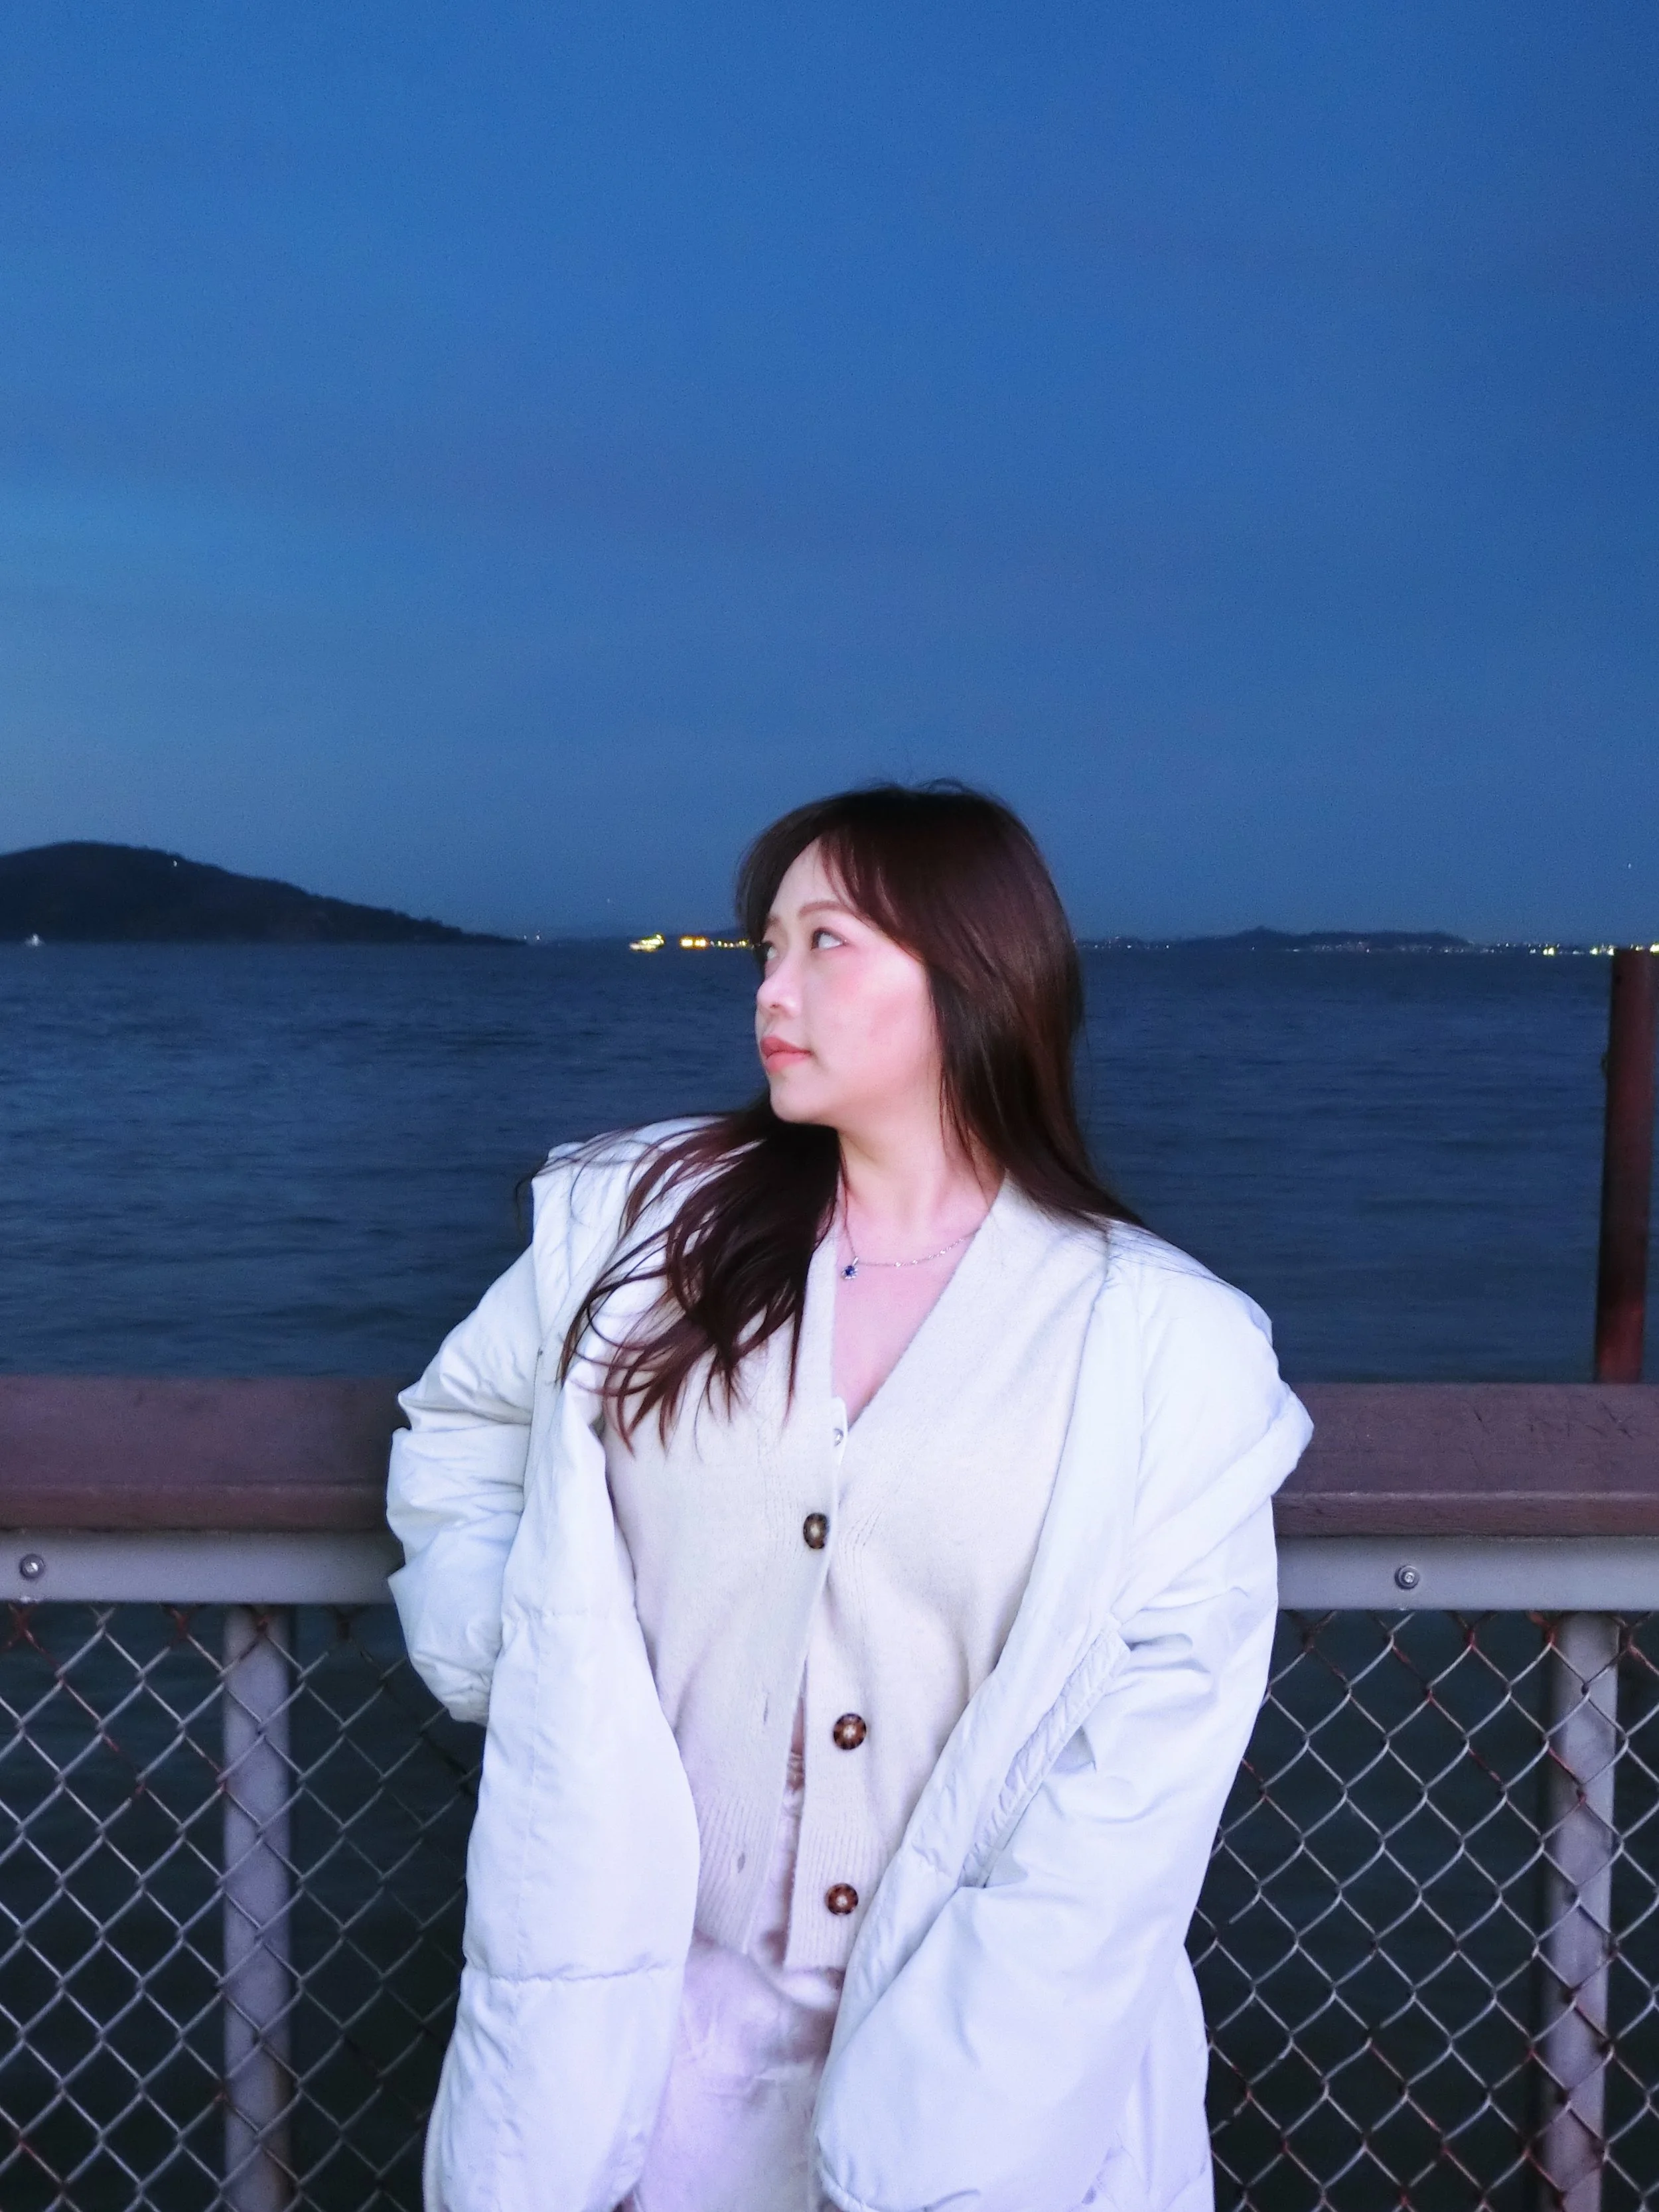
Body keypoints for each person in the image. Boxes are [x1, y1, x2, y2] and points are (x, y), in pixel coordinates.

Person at [386, 782, 1313, 2212]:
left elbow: (1152, 1743)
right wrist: (524, 1658)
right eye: (766, 948)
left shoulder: (1159, 1343)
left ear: (975, 975)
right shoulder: (649, 1228)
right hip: (644, 2048)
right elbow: (461, 1432)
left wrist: (975, 2078)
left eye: (826, 943)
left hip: (993, 2054)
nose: (771, 989)